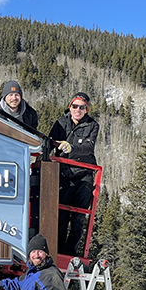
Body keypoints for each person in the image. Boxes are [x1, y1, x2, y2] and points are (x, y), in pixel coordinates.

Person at [49, 92, 99, 256]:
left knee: (79, 216)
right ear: (70, 107)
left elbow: (88, 147)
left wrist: (72, 147)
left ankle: (70, 252)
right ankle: (57, 249)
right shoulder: (61, 123)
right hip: (65, 173)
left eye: (82, 107)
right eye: (74, 106)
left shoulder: (92, 125)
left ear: (86, 109)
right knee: (61, 214)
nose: (77, 110)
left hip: (84, 174)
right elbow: (50, 142)